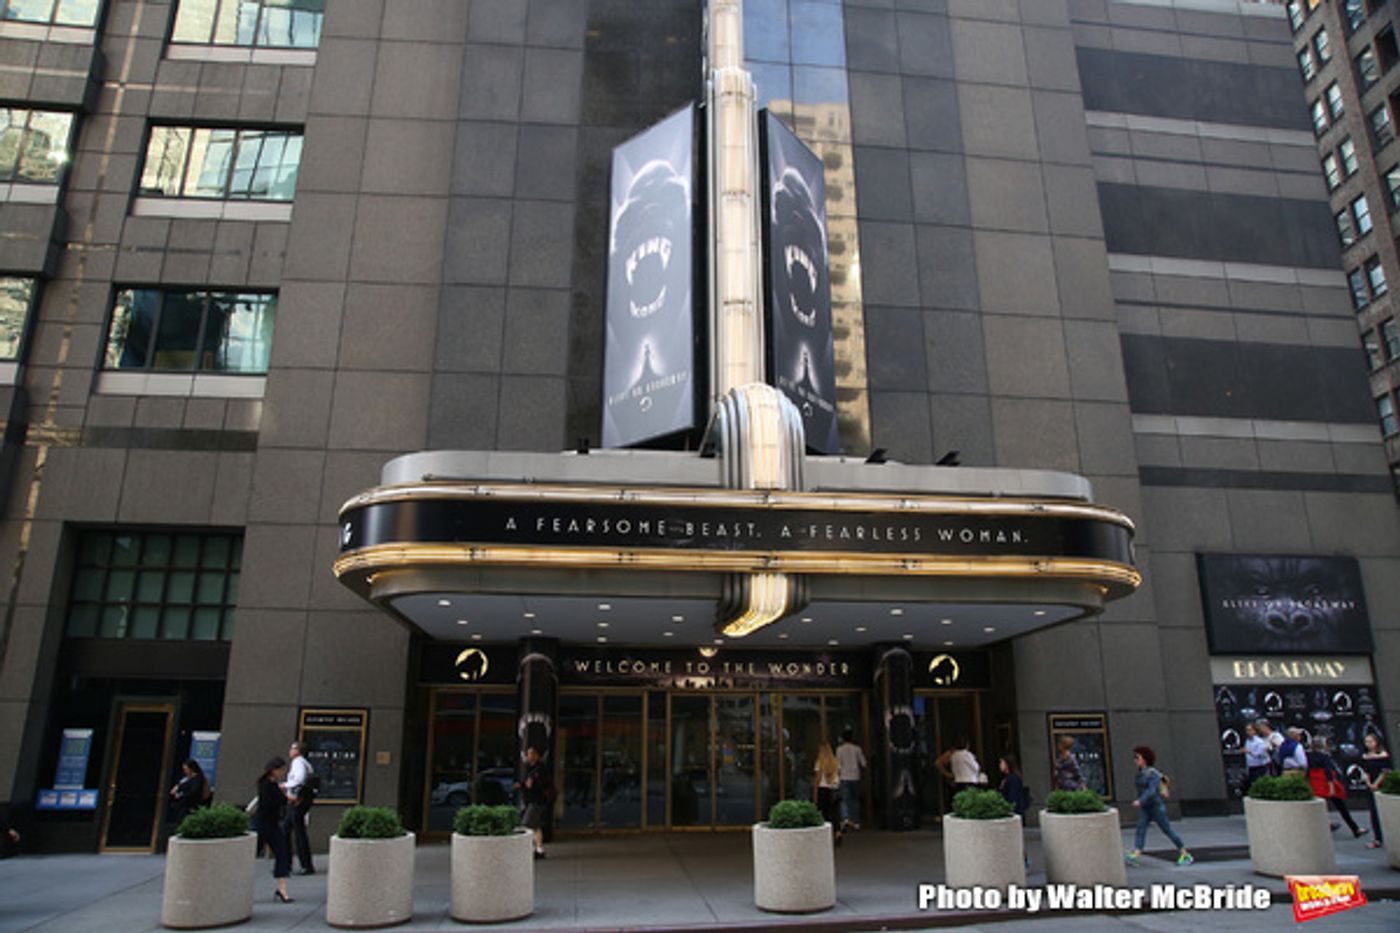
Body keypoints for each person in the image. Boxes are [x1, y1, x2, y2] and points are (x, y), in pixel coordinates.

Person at [1124, 746, 1192, 867]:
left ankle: (1184, 853)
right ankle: (1137, 854)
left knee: (1167, 830)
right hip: (1146, 807)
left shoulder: (1152, 774)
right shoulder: (1141, 773)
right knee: (1140, 829)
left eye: (1137, 757)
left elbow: (1151, 790)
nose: (1135, 760)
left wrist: (1140, 800)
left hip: (1155, 806)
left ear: (1145, 759)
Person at [1307, 737, 1366, 838]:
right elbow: (1328, 772)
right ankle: (1355, 828)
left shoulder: (1308, 756)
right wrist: (1331, 786)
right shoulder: (1325, 757)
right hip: (1325, 783)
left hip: (1315, 783)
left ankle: (1325, 825)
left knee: (1320, 807)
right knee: (1341, 807)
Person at [255, 757, 293, 903]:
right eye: (281, 769)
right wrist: (284, 799)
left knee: (282, 853)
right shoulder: (266, 785)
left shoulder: (271, 784)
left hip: (270, 823)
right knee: (255, 853)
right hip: (264, 824)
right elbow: (268, 803)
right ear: (273, 770)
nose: (282, 772)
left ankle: (282, 889)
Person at [281, 741, 315, 875]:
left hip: (296, 802)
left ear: (298, 751)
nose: (290, 750)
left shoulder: (298, 763)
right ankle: (292, 863)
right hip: (299, 802)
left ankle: (303, 865)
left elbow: (299, 779)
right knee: (287, 830)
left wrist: (285, 786)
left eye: (293, 748)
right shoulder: (306, 763)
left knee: (296, 832)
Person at [516, 746, 552, 859]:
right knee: (535, 825)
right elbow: (525, 783)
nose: (529, 756)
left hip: (537, 800)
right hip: (530, 800)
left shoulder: (540, 769)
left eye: (531, 754)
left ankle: (533, 847)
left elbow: (542, 784)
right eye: (528, 754)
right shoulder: (528, 768)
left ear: (536, 755)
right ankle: (538, 848)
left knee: (527, 823)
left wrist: (531, 784)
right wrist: (522, 785)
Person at [1360, 733, 1391, 849]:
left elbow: (1385, 771)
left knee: (1384, 811)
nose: (1368, 744)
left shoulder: (1383, 755)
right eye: (1366, 742)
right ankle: (1377, 838)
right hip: (1371, 785)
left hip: (1381, 784)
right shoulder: (1365, 756)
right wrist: (1369, 783)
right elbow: (1365, 771)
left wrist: (1376, 784)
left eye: (1370, 741)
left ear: (1376, 742)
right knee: (1374, 813)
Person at [835, 727, 866, 832]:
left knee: (844, 800)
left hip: (844, 777)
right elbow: (864, 763)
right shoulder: (857, 749)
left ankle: (845, 820)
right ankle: (855, 821)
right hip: (855, 777)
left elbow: (837, 765)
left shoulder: (839, 749)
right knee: (855, 800)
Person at [812, 740, 842, 846]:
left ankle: (825, 835)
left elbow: (817, 779)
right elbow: (839, 775)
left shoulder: (819, 763)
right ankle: (837, 833)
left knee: (823, 813)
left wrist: (815, 794)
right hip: (834, 789)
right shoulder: (835, 762)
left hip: (823, 789)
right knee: (835, 813)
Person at [168, 758, 209, 825]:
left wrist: (181, 794)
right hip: (181, 805)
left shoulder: (197, 779)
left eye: (186, 769)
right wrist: (177, 788)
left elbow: (194, 791)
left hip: (190, 806)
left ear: (191, 768)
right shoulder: (186, 778)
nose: (185, 771)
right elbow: (180, 785)